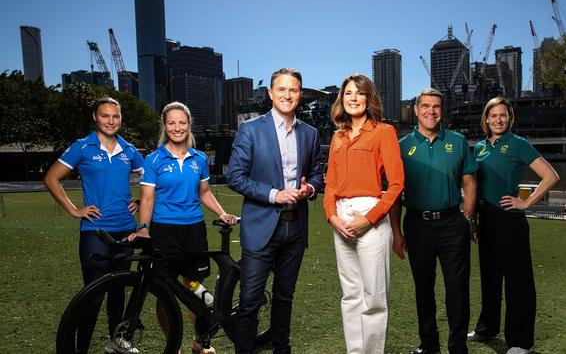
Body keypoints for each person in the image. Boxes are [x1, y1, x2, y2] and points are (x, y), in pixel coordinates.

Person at [226, 68, 323, 354]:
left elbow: (317, 174)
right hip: (260, 227)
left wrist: (310, 189)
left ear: (300, 95)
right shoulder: (251, 129)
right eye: (281, 89)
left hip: (295, 228)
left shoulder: (310, 133)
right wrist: (274, 195)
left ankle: (282, 349)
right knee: (250, 301)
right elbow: (235, 176)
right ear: (270, 93)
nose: (287, 95)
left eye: (293, 90)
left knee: (284, 298)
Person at [129, 101, 237, 354]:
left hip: (193, 230)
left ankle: (201, 341)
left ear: (189, 125)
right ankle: (172, 345)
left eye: (181, 122)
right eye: (171, 123)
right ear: (165, 127)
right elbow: (147, 198)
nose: (177, 127)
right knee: (165, 291)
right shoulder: (153, 159)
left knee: (193, 287)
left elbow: (204, 192)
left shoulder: (198, 159)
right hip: (164, 231)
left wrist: (222, 212)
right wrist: (144, 228)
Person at [43, 96, 143, 354]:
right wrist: (74, 209)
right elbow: (52, 177)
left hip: (126, 229)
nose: (111, 121)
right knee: (93, 294)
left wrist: (141, 200)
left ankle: (116, 342)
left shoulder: (129, 149)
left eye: (115, 116)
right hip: (95, 230)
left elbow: (150, 180)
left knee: (119, 290)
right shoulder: (82, 146)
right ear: (94, 117)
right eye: (105, 116)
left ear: (120, 119)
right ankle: (81, 348)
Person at [467, 96, 559, 354]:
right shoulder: (480, 147)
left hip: (509, 219)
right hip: (485, 219)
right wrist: (473, 220)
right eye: (493, 115)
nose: (498, 120)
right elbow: (477, 185)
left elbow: (551, 176)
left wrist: (526, 203)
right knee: (490, 277)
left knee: (518, 281)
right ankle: (487, 328)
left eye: (503, 115)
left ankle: (520, 342)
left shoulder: (518, 144)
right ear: (486, 119)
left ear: (510, 118)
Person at [389, 88, 478, 354]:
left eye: (436, 106)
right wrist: (396, 231)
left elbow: (469, 181)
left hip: (453, 222)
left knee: (457, 289)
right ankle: (429, 346)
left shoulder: (458, 141)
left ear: (442, 111)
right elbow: (395, 193)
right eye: (425, 106)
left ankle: (457, 346)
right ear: (415, 110)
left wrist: (468, 218)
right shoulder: (401, 147)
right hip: (418, 225)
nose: (431, 111)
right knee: (423, 289)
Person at [323, 74, 404, 353]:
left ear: (369, 99)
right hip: (340, 217)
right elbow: (330, 184)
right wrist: (332, 217)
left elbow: (396, 185)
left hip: (370, 213)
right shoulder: (337, 137)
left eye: (359, 93)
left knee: (374, 297)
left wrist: (368, 219)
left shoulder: (384, 131)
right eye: (348, 93)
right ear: (341, 99)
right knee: (351, 295)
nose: (353, 98)